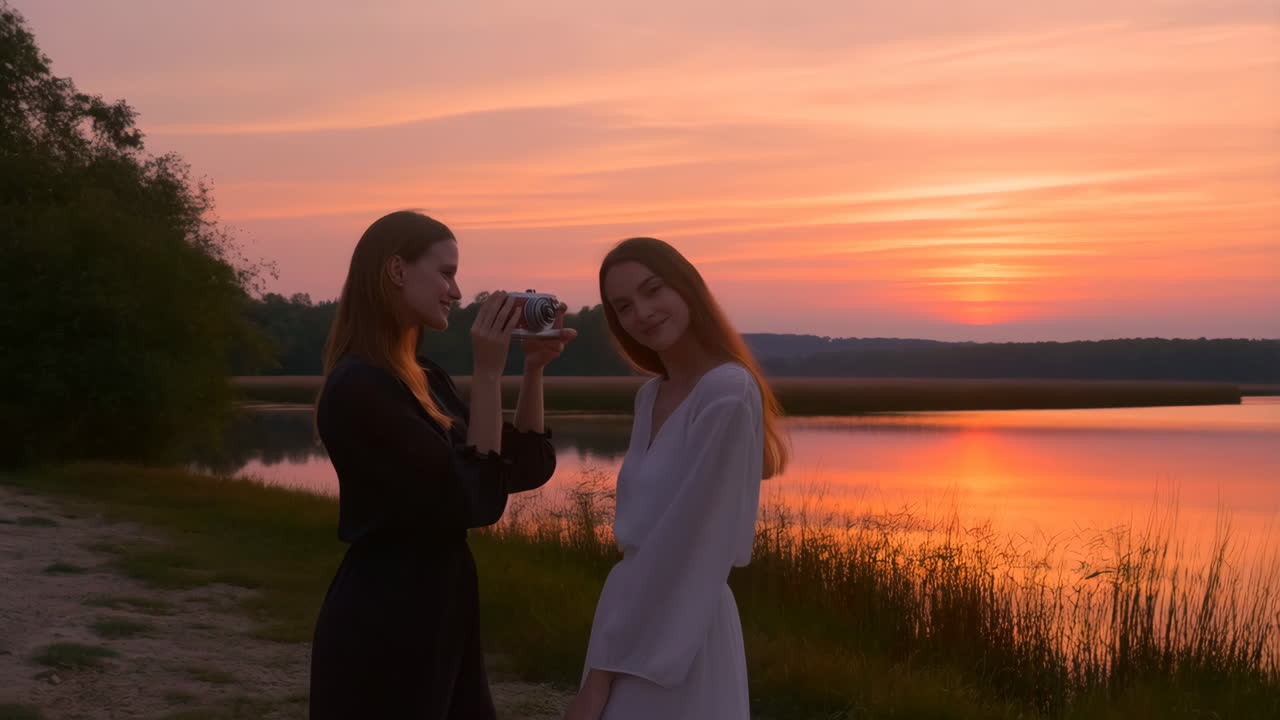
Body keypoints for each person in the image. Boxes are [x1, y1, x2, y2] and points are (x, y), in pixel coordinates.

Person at [308, 210, 576, 719]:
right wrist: (489, 374)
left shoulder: (423, 377)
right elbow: (471, 498)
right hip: (387, 615)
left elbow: (521, 467)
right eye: (447, 272)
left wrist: (533, 372)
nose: (456, 291)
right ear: (396, 270)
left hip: (440, 607)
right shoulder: (360, 386)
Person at [566, 237, 789, 719]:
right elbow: (648, 543)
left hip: (682, 628)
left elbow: (689, 545)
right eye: (623, 306)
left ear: (687, 288)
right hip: (630, 614)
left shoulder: (727, 392)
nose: (642, 313)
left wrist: (600, 678)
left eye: (653, 290)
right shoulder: (650, 396)